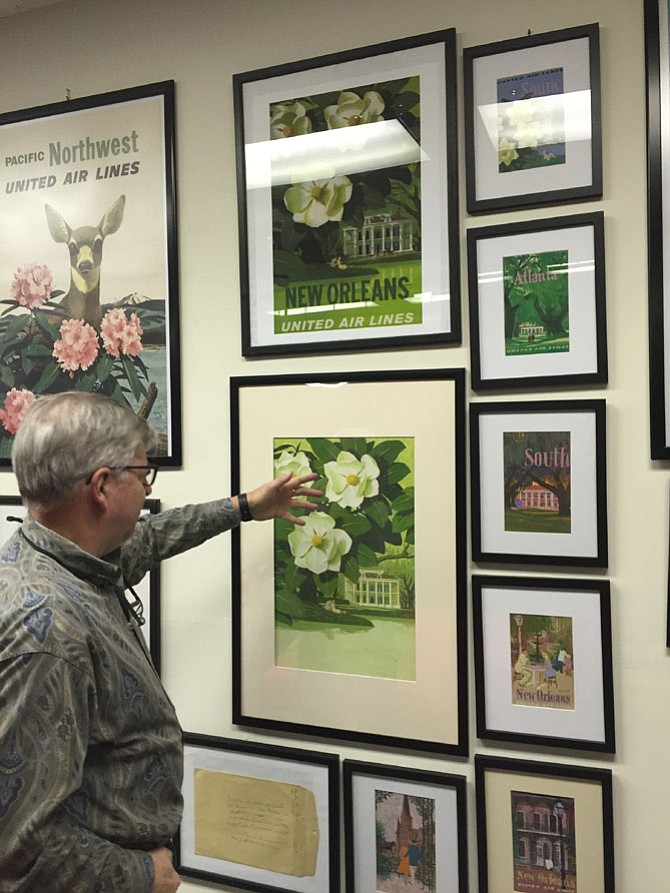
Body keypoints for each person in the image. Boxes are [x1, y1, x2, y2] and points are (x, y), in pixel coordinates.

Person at [0, 392, 322, 893]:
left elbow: (152, 536)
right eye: (144, 474)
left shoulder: (59, 555)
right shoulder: (49, 630)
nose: (148, 488)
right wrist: (146, 876)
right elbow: (22, 847)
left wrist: (244, 508)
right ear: (102, 487)